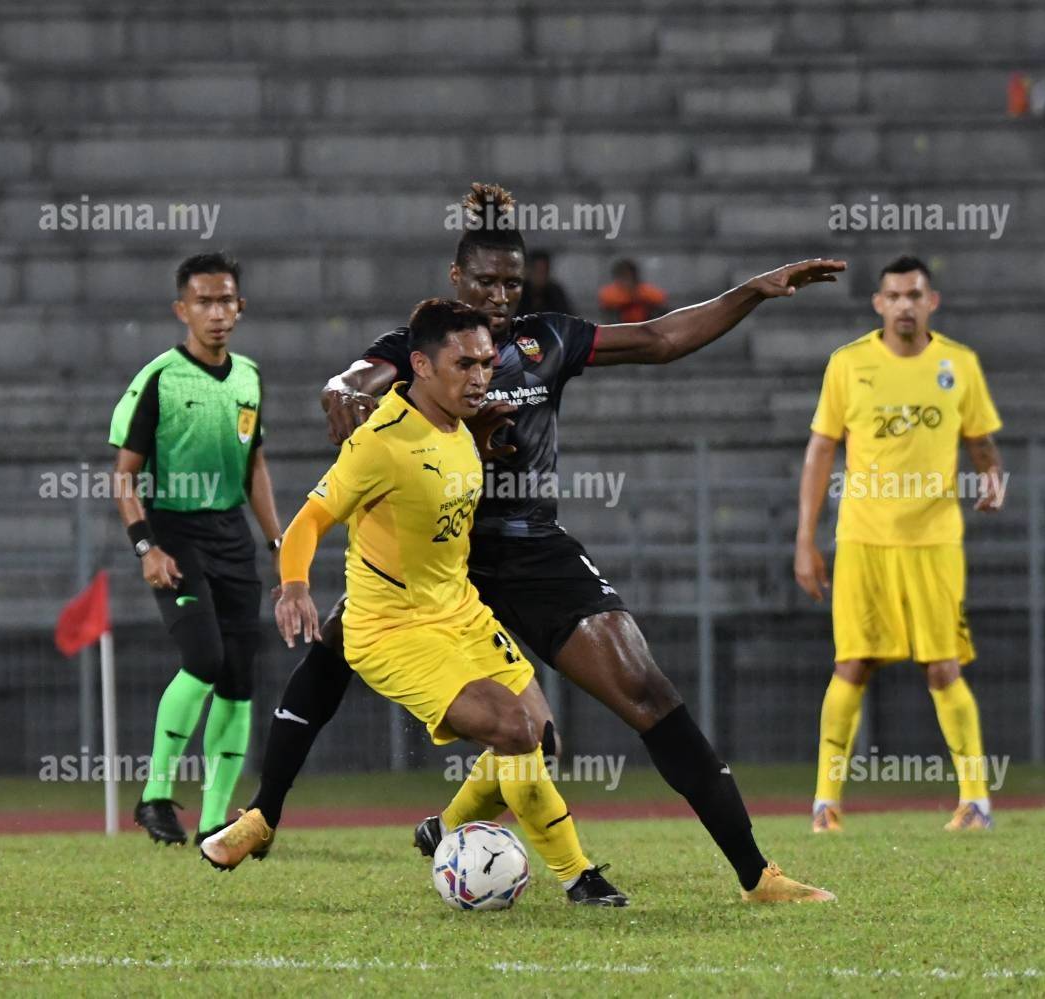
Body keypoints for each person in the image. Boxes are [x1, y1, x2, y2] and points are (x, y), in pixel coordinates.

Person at [219, 182, 843, 903]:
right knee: (337, 646)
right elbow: (359, 376)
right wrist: (342, 387)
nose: (500, 293)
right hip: (433, 554)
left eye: (513, 280)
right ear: (457, 280)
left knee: (642, 690)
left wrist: (753, 292)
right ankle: (265, 812)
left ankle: (755, 874)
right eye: (485, 280)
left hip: (530, 546)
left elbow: (661, 338)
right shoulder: (422, 346)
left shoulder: (546, 339)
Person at [207, 299, 631, 905]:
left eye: (486, 362)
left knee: (539, 737)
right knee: (512, 729)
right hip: (391, 629)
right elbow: (308, 521)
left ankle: (445, 831)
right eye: (464, 364)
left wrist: (484, 437)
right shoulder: (380, 441)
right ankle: (579, 877)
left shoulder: (464, 421)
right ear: (421, 366)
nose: (481, 376)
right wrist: (295, 586)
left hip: (459, 611)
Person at [796, 256, 1006, 834]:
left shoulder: (958, 365)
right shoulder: (849, 364)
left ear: (931, 302)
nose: (905, 305)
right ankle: (825, 804)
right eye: (894, 295)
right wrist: (805, 541)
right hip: (863, 537)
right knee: (851, 664)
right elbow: (820, 451)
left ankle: (975, 801)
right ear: (879, 304)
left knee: (944, 666)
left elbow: (980, 437)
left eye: (915, 294)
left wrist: (991, 476)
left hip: (935, 539)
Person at [109, 253, 283, 848]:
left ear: (240, 306)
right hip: (175, 532)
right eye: (204, 302)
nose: (217, 312)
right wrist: (145, 548)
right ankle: (156, 794)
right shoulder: (159, 376)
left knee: (238, 678)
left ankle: (213, 822)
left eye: (226, 300)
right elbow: (123, 476)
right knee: (205, 660)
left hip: (232, 533)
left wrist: (278, 542)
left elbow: (255, 464)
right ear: (181, 309)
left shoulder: (249, 377)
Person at [597, 259, 667, 324]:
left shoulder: (647, 290)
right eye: (622, 276)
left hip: (645, 326)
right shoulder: (610, 292)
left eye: (628, 275)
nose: (626, 280)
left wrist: (636, 295)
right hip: (620, 327)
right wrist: (632, 298)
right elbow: (609, 302)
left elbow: (659, 300)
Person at [514, 249, 574, 317]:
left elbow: (567, 318)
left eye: (545, 271)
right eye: (538, 271)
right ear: (529, 270)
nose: (541, 276)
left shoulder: (555, 293)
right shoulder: (519, 293)